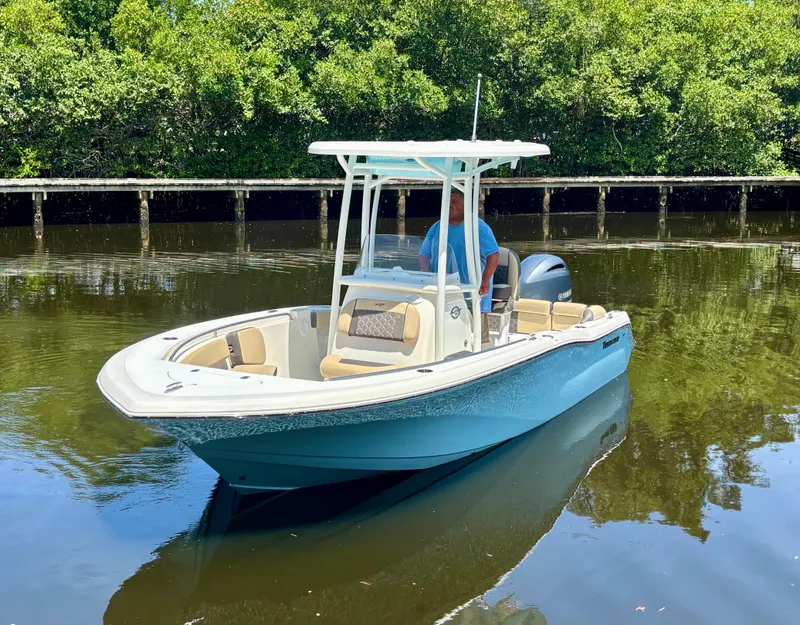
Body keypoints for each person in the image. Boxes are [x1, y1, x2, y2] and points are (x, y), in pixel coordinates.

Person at [418, 190, 500, 345]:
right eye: (447, 202)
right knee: (445, 339)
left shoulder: (478, 227)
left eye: (454, 202)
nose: (449, 206)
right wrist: (426, 274)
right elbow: (423, 254)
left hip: (472, 295)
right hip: (443, 293)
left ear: (465, 205)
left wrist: (485, 280)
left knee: (477, 341)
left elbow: (493, 255)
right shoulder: (437, 227)